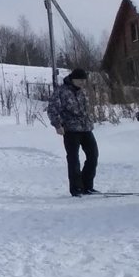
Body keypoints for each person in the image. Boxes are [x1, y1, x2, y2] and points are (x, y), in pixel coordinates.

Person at [43, 68, 99, 197]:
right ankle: (76, 188)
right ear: (73, 79)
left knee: (93, 156)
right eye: (79, 80)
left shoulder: (82, 92)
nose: (82, 82)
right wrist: (57, 125)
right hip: (70, 130)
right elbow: (52, 109)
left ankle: (87, 186)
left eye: (84, 80)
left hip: (86, 128)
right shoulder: (61, 91)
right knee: (74, 159)